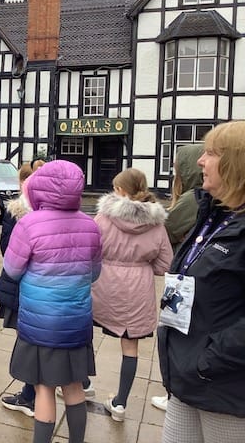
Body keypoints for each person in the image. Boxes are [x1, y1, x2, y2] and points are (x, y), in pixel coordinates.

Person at [3, 160, 102, 443]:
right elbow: (94, 273)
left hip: (40, 322)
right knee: (74, 388)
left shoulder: (29, 224)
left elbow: (11, 270)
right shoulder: (90, 225)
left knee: (44, 387)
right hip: (76, 322)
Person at [158, 120, 245, 443]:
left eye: (210, 153)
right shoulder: (214, 217)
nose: (199, 161)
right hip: (186, 372)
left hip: (222, 382)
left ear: (236, 163)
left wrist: (208, 360)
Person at [91, 168, 173, 422]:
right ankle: (120, 403)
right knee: (130, 346)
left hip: (104, 284)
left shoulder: (103, 219)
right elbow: (165, 264)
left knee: (85, 332)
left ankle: (81, 383)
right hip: (138, 288)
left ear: (121, 190)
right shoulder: (156, 225)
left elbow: (90, 250)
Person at [151, 143, 204, 412]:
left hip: (188, 281)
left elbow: (168, 229)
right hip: (188, 278)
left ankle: (176, 390)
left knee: (177, 334)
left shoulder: (192, 198)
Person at [0, 163, 35, 416]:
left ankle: (30, 395)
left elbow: (8, 253)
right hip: (63, 298)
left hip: (26, 288)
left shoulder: (17, 213)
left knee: (29, 339)